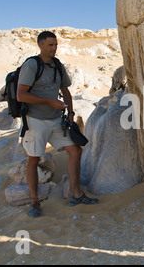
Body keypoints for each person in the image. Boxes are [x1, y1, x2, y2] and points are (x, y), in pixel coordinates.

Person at [17, 31, 98, 218]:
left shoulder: (57, 65)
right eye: (50, 45)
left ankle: (76, 194)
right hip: (36, 121)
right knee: (34, 159)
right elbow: (21, 95)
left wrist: (70, 111)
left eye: (55, 45)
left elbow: (65, 90)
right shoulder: (31, 65)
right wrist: (48, 101)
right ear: (40, 45)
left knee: (76, 151)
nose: (54, 48)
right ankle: (35, 202)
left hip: (56, 120)